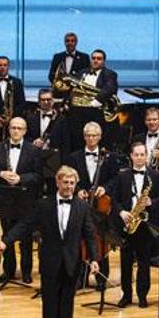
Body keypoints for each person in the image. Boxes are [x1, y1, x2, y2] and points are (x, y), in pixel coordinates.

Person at [0, 166, 100, 318]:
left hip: (71, 264)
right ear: (58, 183)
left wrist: (94, 259)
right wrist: (6, 241)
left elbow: (89, 235)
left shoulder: (82, 207)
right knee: (49, 307)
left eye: (72, 183)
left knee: (66, 308)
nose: (69, 186)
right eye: (65, 182)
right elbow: (25, 225)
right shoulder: (44, 205)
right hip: (50, 263)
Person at [64, 122, 119, 288]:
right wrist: (77, 190)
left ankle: (102, 278)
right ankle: (81, 277)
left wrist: (105, 188)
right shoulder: (74, 157)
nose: (91, 138)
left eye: (94, 135)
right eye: (88, 135)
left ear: (100, 137)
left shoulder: (109, 157)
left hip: (101, 205)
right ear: (84, 137)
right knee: (80, 238)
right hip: (81, 204)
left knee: (101, 237)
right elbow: (69, 177)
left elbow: (116, 179)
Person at [0, 117, 42, 284]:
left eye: (20, 128)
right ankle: (9, 271)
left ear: (25, 131)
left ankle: (26, 272)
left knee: (25, 238)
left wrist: (20, 178)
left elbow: (38, 176)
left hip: (25, 199)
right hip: (5, 199)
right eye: (13, 128)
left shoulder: (33, 150)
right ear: (9, 129)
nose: (16, 131)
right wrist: (1, 174)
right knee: (7, 236)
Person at [113, 142, 159, 308]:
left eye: (143, 154)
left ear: (147, 155)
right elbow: (115, 199)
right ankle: (126, 295)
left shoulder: (156, 176)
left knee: (144, 263)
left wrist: (152, 202)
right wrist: (121, 212)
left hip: (146, 225)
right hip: (128, 224)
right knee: (125, 262)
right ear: (131, 156)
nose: (140, 158)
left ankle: (142, 296)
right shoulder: (122, 176)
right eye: (136, 155)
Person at [66, 49, 118, 151]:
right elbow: (74, 90)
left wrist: (97, 100)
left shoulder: (110, 74)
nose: (95, 61)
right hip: (80, 115)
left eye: (99, 59)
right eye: (93, 58)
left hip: (98, 114)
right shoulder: (81, 73)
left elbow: (109, 88)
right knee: (78, 142)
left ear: (104, 61)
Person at [27, 88, 69, 155]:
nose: (46, 102)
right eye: (43, 100)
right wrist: (33, 142)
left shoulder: (61, 119)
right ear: (38, 101)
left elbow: (65, 142)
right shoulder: (30, 118)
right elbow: (26, 138)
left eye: (48, 99)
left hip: (54, 156)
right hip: (34, 155)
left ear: (53, 101)